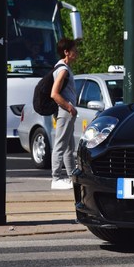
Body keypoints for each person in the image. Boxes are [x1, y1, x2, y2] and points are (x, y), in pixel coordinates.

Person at [50, 38, 79, 190]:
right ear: (66, 52)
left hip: (66, 112)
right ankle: (55, 178)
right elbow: (54, 94)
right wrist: (69, 107)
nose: (77, 53)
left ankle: (70, 177)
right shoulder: (63, 70)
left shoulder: (63, 68)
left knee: (68, 146)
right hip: (65, 111)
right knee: (60, 145)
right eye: (75, 50)